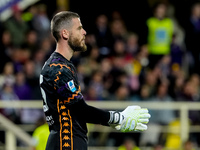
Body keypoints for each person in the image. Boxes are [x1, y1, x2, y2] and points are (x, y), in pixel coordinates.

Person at [39, 11, 151, 150]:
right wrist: (118, 118)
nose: (84, 32)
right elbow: (80, 109)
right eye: (79, 28)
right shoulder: (58, 69)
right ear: (65, 34)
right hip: (66, 142)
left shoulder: (60, 65)